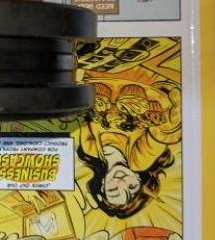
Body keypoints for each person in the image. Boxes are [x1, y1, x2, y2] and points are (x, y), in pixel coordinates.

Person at [75, 82, 181, 219]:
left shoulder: (89, 147)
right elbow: (159, 136)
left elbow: (84, 114)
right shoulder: (140, 160)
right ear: (138, 179)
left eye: (113, 189)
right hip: (140, 87)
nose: (121, 182)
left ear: (103, 185)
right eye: (131, 187)